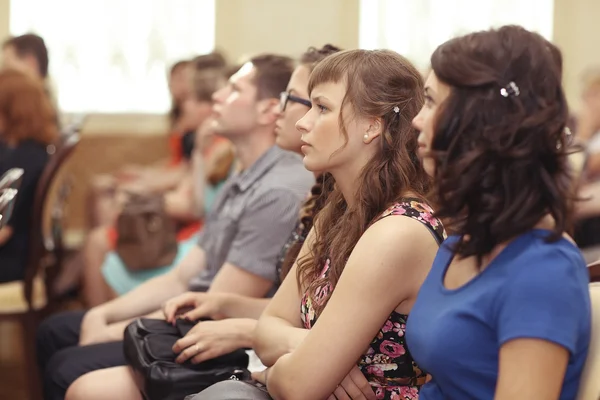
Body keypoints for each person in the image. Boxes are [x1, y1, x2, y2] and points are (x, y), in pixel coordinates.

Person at [64, 43, 342, 400]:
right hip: (258, 342)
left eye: (317, 107)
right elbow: (280, 310)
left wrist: (240, 324)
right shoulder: (314, 200)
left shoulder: (286, 191)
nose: (294, 117)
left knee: (77, 376)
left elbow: (326, 337)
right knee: (72, 352)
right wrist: (225, 309)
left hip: (266, 355)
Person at [198, 49, 445, 400]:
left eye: (322, 108)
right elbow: (268, 328)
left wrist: (277, 371)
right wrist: (311, 350)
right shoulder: (339, 210)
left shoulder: (399, 231)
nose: (303, 121)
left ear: (372, 126)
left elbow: (299, 387)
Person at [404, 25, 591, 400]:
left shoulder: (542, 270)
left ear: (478, 123)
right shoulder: (458, 243)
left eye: (430, 102)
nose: (416, 120)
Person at [80, 63, 234, 306]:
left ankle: (102, 316)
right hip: (191, 230)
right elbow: (181, 176)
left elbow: (192, 204)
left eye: (192, 99)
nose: (185, 105)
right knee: (106, 218)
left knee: (101, 243)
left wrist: (138, 196)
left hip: (194, 234)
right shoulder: (208, 144)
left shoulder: (222, 149)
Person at [0, 69, 59, 283]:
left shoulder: (25, 160)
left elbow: (3, 230)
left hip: (10, 259)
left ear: (11, 110)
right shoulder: (21, 148)